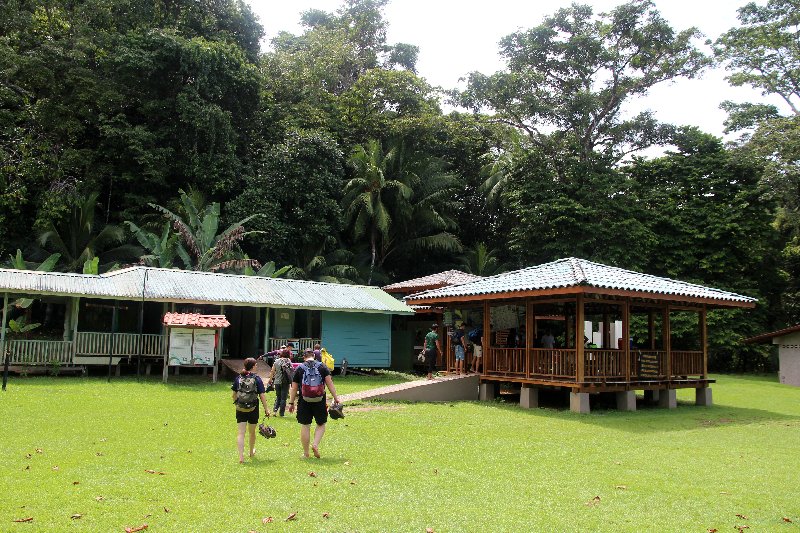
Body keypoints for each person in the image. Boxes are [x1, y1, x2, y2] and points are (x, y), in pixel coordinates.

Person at [288, 349, 341, 459]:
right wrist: (336, 398)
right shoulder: (322, 367)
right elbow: (329, 383)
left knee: (305, 425)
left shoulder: (299, 368)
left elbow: (293, 388)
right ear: (314, 356)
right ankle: (315, 444)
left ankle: (306, 453)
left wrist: (291, 402)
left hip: (304, 400)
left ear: (304, 357)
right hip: (320, 400)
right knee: (321, 424)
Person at [231, 358, 270, 463]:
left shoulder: (239, 378)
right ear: (252, 367)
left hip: (240, 408)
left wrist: (237, 403)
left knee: (241, 433)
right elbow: (262, 396)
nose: (257, 366)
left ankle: (241, 457)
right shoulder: (257, 379)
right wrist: (267, 409)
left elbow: (233, 394)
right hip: (253, 408)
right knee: (252, 432)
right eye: (256, 365)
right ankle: (251, 452)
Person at [267, 348, 293, 416]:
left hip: (277, 381)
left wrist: (270, 379)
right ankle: (281, 413)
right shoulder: (288, 361)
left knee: (278, 397)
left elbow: (272, 371)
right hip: (285, 382)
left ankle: (274, 411)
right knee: (283, 398)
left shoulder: (277, 361)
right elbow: (291, 371)